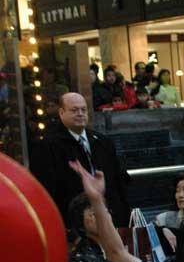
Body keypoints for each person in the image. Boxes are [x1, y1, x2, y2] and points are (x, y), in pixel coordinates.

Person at [29, 91, 130, 227]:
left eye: (83, 109)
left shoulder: (103, 142)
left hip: (111, 218)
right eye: (74, 110)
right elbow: (47, 190)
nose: (80, 114)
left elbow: (118, 181)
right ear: (61, 112)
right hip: (73, 223)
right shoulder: (47, 146)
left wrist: (124, 215)